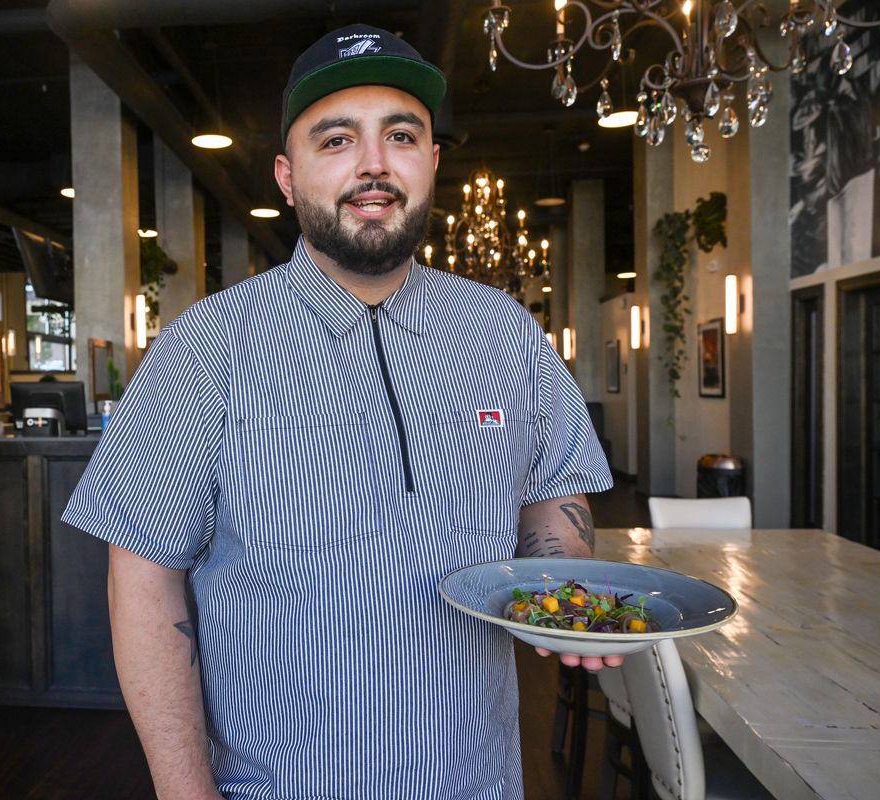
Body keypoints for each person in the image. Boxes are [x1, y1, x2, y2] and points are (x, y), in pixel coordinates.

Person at [62, 23, 616, 800]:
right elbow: (144, 580)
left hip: (476, 780)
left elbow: (551, 489)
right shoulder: (206, 348)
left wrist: (563, 586)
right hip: (274, 785)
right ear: (287, 178)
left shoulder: (505, 332)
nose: (374, 164)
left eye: (401, 135)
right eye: (336, 140)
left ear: (430, 161)